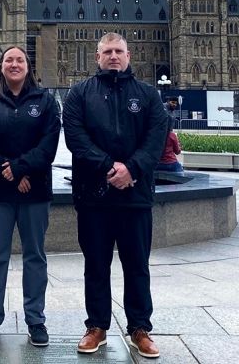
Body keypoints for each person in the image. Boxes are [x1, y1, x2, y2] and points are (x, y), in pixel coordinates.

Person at [62, 32, 167, 359]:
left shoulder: (148, 95)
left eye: (118, 51)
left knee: (137, 265)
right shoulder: (79, 94)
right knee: (96, 265)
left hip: (134, 196)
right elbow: (75, 138)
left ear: (128, 55)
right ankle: (97, 326)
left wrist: (131, 170)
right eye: (107, 51)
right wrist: (110, 167)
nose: (113, 56)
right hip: (94, 196)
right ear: (98, 57)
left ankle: (140, 328)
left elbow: (156, 138)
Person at [0, 46, 60, 348]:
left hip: (33, 190)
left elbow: (48, 145)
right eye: (9, 59)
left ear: (28, 65)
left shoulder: (46, 102)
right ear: (1, 66)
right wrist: (8, 171)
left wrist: (21, 169)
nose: (13, 64)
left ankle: (35, 320)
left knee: (35, 257)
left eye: (19, 59)